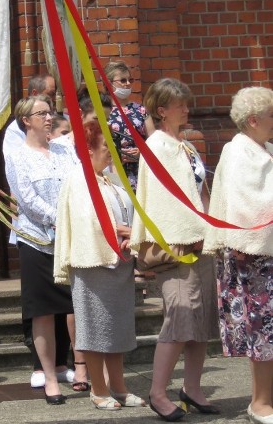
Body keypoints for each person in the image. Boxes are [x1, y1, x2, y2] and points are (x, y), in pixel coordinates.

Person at [130, 78, 219, 421]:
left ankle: (192, 389)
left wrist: (211, 229)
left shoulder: (185, 146)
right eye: (179, 104)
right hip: (178, 247)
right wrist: (186, 235)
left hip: (201, 242)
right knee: (179, 319)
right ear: (161, 110)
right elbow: (163, 202)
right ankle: (156, 392)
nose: (186, 108)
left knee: (200, 322)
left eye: (186, 102)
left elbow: (200, 191)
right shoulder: (157, 145)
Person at [54, 120, 145, 410]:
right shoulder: (78, 178)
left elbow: (123, 215)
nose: (111, 152)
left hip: (117, 264)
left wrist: (131, 236)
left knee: (117, 330)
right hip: (93, 264)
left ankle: (119, 387)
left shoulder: (109, 179)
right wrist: (115, 233)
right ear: (89, 148)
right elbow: (84, 221)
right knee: (94, 332)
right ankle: (99, 390)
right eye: (106, 146)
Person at [1, 73, 76, 389]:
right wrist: (57, 219)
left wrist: (74, 219)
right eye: (42, 114)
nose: (49, 118)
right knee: (43, 310)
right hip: (37, 239)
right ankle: (48, 376)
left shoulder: (64, 151)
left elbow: (79, 184)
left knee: (72, 305)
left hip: (69, 238)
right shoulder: (18, 155)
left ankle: (74, 366)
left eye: (50, 113)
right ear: (25, 121)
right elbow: (26, 198)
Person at [208, 87, 273, 424]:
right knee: (263, 332)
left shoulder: (266, 150)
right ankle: (260, 403)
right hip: (253, 260)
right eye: (271, 115)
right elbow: (249, 205)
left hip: (269, 256)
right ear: (253, 120)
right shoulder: (237, 153)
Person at [105, 61, 155, 190]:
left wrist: (142, 152)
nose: (127, 84)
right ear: (109, 83)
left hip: (140, 172)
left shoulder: (141, 110)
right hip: (113, 173)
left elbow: (154, 141)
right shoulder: (102, 111)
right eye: (122, 80)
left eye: (130, 80)